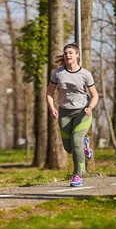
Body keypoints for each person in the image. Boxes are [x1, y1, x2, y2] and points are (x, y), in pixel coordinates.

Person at [46, 43, 99, 187]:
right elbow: (49, 93)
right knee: (69, 148)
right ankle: (85, 145)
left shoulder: (85, 74)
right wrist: (52, 108)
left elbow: (94, 95)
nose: (67, 55)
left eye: (70, 52)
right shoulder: (58, 73)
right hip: (64, 112)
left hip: (83, 112)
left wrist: (90, 107)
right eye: (65, 53)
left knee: (76, 142)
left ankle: (78, 175)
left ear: (77, 55)